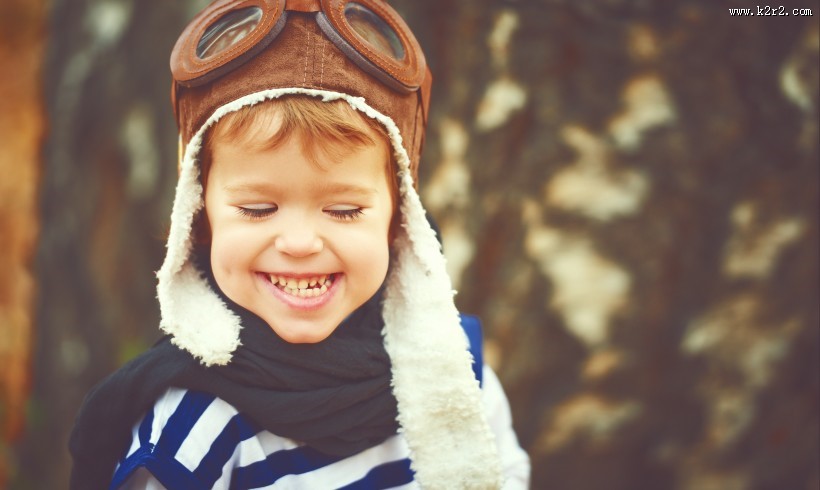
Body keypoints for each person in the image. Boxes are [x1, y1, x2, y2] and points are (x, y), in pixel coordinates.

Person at [69, 1, 530, 488]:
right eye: (257, 210)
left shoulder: (455, 372)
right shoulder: (193, 430)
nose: (299, 242)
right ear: (200, 218)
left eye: (344, 210)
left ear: (400, 222)